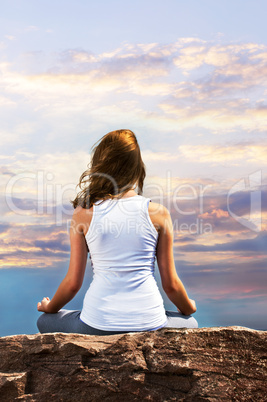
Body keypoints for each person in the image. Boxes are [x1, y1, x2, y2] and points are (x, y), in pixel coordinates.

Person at [37, 129, 197, 334]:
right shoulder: (159, 214)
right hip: (149, 323)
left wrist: (49, 308)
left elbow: (72, 284)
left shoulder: (83, 214)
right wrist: (188, 308)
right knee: (191, 323)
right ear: (138, 168)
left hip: (97, 323)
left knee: (44, 321)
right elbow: (171, 285)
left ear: (100, 166)